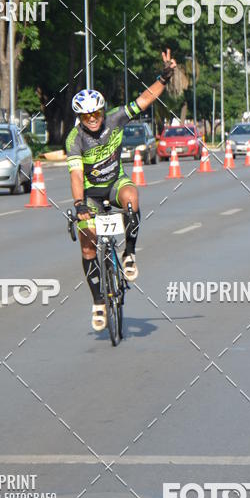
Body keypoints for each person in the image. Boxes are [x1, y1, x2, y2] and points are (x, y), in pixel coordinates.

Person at [66, 49, 177, 331]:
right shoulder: (74, 139)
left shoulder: (115, 119)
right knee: (87, 243)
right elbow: (76, 174)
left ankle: (129, 253)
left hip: (115, 183)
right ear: (80, 117)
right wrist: (79, 204)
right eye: (86, 116)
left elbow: (144, 100)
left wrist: (164, 78)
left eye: (96, 113)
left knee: (131, 197)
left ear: (103, 111)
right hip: (91, 194)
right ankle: (98, 302)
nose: (93, 118)